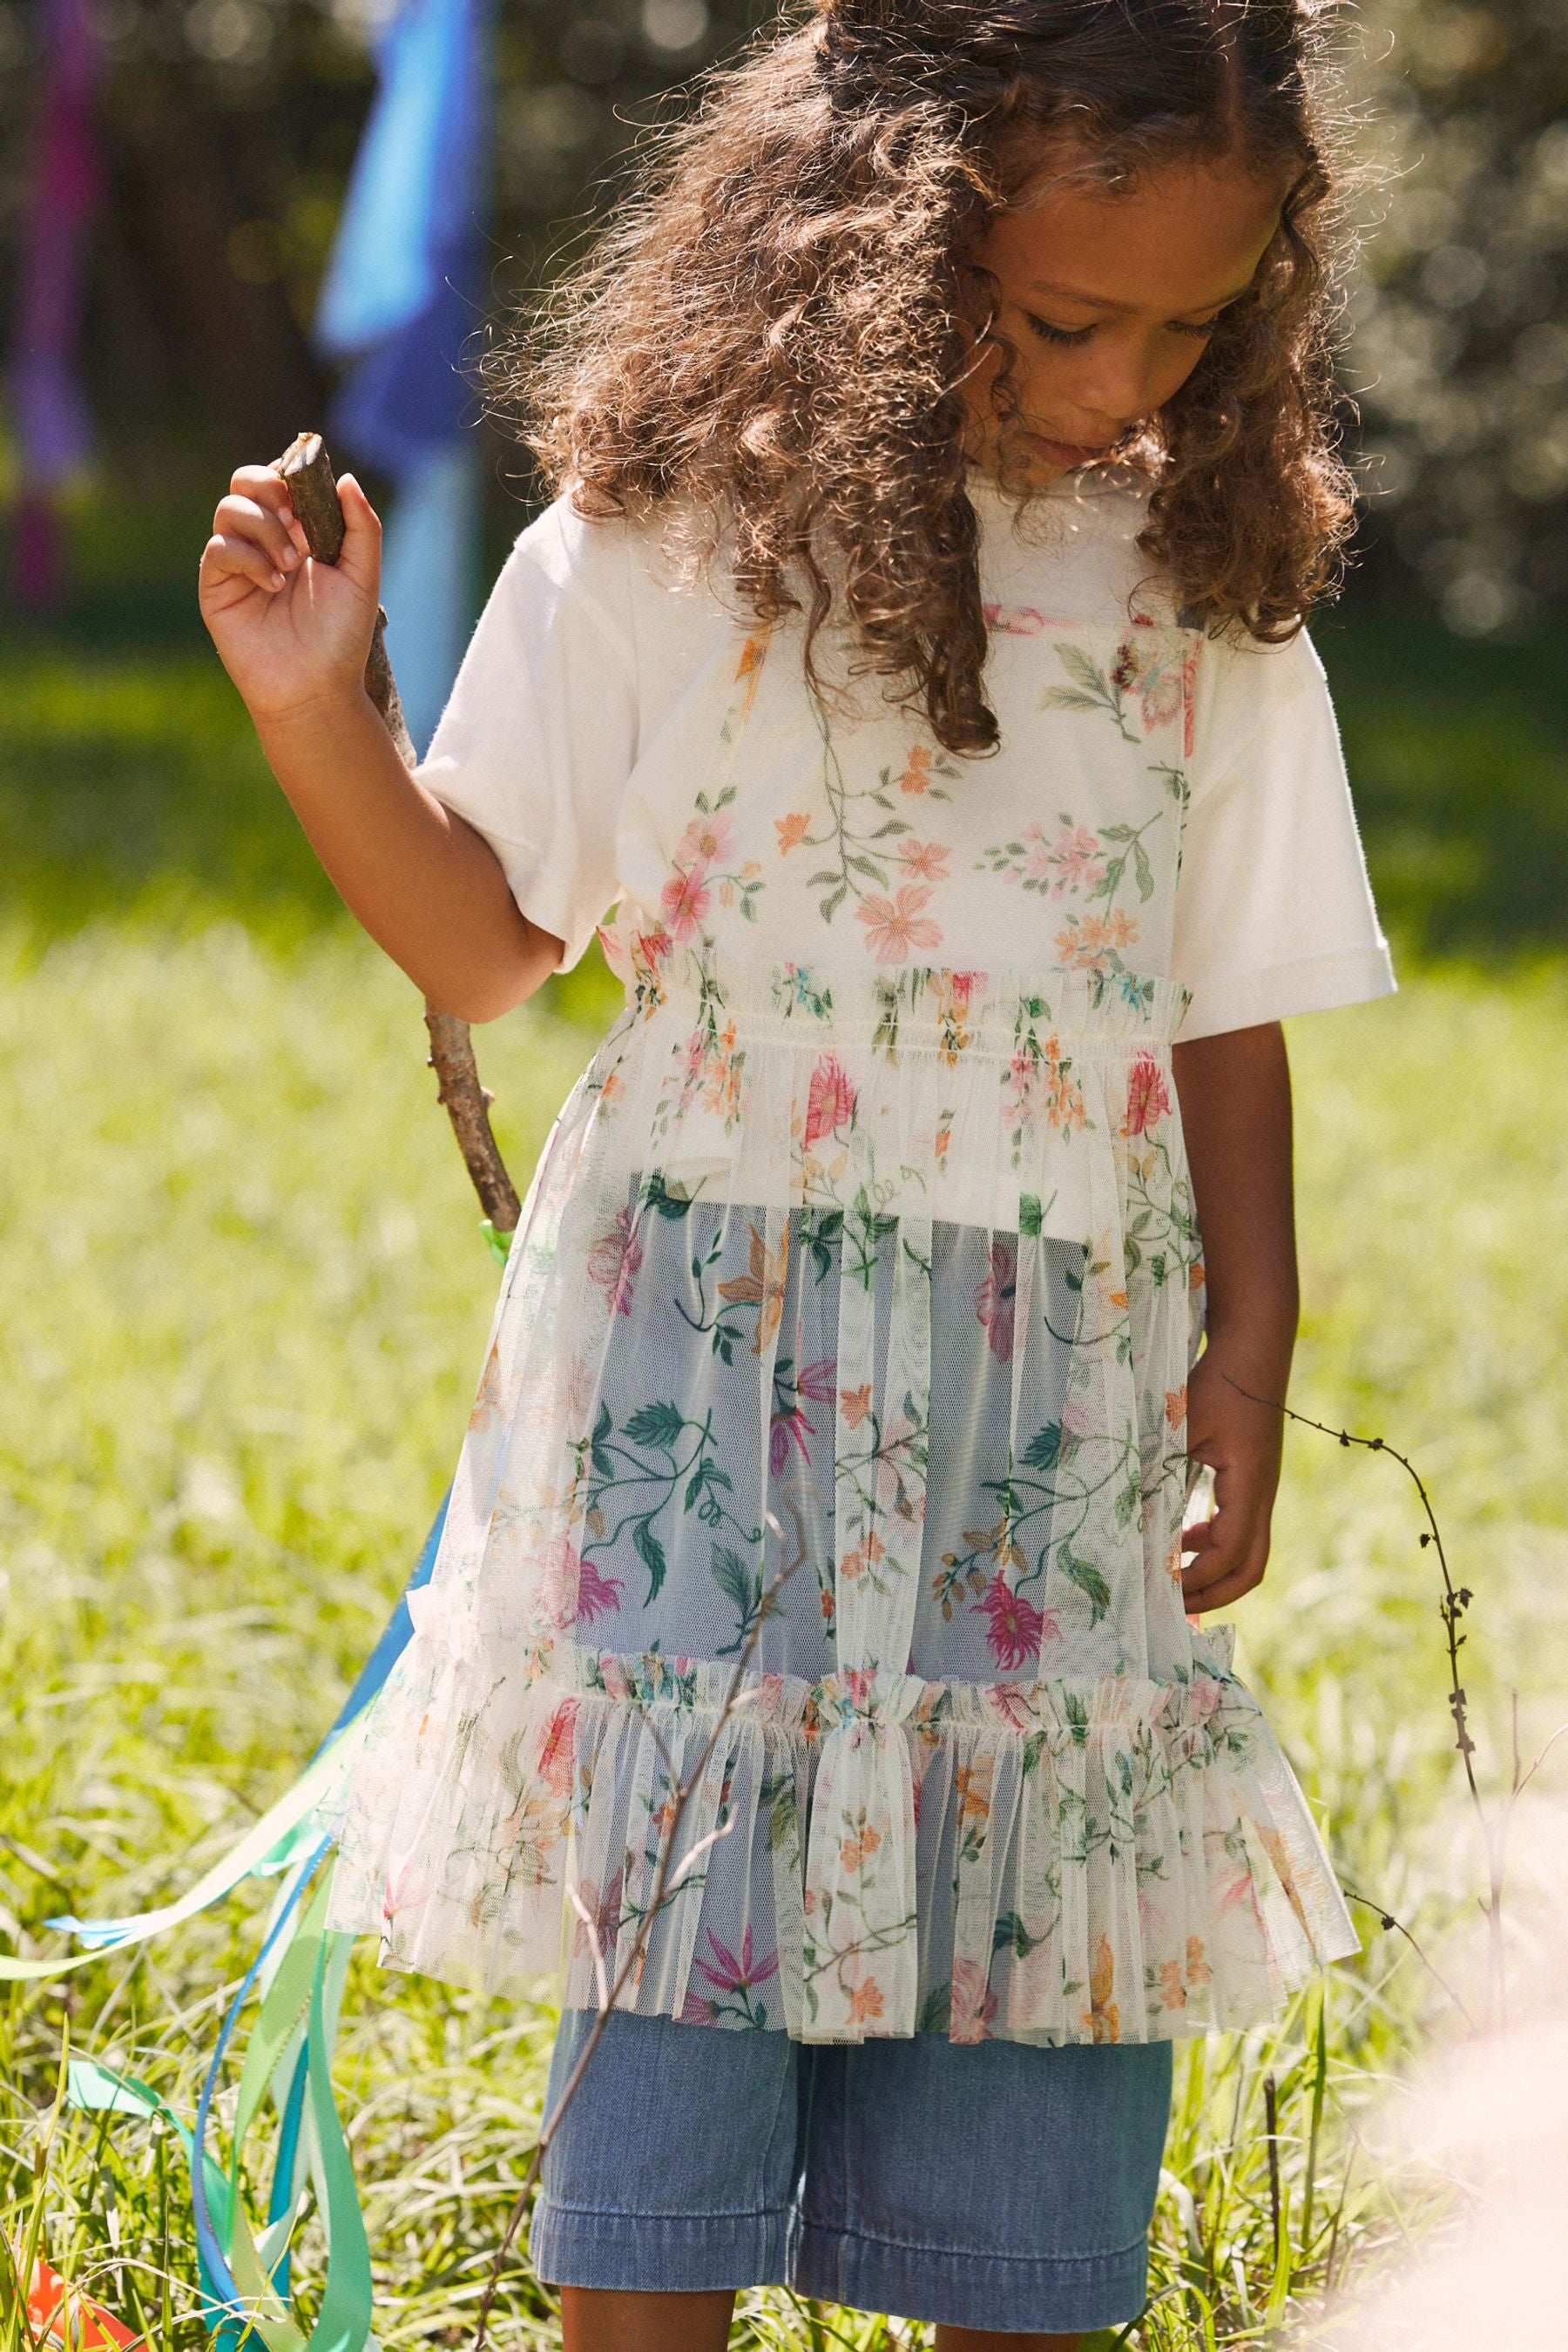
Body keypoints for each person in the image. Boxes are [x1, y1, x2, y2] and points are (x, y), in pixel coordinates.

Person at [199, 0, 1396, 2342]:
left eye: (1192, 324)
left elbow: (1219, 988)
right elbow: (484, 933)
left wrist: (1251, 1340)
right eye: (1068, 316)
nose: (1124, 381)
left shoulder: (1197, 587)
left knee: (1032, 1933)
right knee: (689, 1912)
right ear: (891, 225)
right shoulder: (671, 540)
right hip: (701, 1357)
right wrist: (309, 704)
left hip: (1047, 1385)